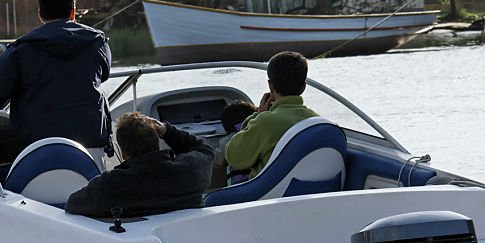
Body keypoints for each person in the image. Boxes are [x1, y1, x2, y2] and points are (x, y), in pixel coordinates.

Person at [0, 0, 112, 165]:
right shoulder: (97, 43)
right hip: (91, 146)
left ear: (40, 14)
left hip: (37, 149)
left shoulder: (20, 51)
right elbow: (104, 74)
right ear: (73, 11)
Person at [65, 112, 214, 217]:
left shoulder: (111, 185)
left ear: (123, 153)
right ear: (157, 143)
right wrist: (168, 131)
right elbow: (204, 149)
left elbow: (72, 204)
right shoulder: (190, 170)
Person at [225, 51, 319, 179]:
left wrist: (257, 116)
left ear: (270, 86)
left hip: (270, 195)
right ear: (303, 87)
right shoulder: (317, 121)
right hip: (309, 192)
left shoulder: (265, 122)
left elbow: (234, 157)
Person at [211, 99, 256, 188]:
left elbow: (218, 161)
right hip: (258, 181)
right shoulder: (257, 133)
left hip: (237, 186)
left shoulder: (228, 141)